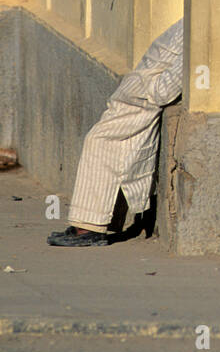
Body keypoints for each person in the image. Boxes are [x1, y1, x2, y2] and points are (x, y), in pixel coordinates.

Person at [48, 18, 183, 247]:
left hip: (140, 100)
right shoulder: (191, 21)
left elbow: (166, 89)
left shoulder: (198, 29)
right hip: (133, 95)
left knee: (101, 142)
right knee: (103, 144)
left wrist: (145, 90)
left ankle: (90, 227)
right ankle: (90, 224)